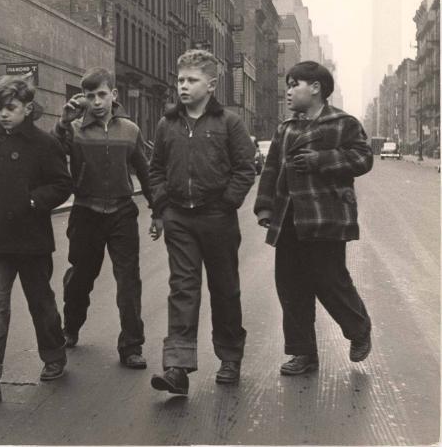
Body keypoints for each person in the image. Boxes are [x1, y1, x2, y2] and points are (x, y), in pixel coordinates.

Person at [254, 61, 373, 376]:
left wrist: (321, 160)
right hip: (290, 218)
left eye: (295, 85)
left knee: (329, 280)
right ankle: (303, 354)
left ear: (316, 87)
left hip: (326, 216)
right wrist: (264, 207)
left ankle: (358, 328)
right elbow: (270, 170)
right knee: (290, 286)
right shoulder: (286, 128)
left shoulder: (343, 123)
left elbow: (363, 158)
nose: (289, 92)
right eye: (288, 86)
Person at [149, 49, 255, 395]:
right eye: (180, 79)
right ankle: (177, 367)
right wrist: (163, 205)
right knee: (183, 289)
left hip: (217, 218)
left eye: (192, 80)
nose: (183, 86)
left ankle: (229, 357)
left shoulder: (228, 123)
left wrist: (227, 203)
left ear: (211, 84)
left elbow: (245, 169)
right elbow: (156, 170)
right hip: (179, 218)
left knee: (224, 289)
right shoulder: (167, 124)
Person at [0, 76, 72, 403]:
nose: (3, 114)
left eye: (10, 108)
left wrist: (34, 200)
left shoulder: (45, 144)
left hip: (32, 239)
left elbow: (63, 184)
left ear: (28, 108)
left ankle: (54, 355)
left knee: (41, 301)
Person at [53, 67, 152, 369]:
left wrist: (158, 210)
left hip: (122, 212)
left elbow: (146, 173)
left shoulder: (130, 130)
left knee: (128, 280)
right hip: (86, 212)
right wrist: (62, 123)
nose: (96, 102)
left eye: (101, 94)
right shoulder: (75, 130)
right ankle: (70, 328)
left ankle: (132, 346)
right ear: (82, 98)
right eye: (89, 95)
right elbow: (51, 153)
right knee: (81, 276)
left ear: (114, 95)